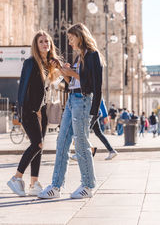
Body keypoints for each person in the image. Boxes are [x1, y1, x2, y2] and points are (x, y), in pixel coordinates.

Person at [38, 23, 103, 199]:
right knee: (62, 142)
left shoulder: (92, 56)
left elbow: (93, 84)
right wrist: (61, 68)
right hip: (72, 99)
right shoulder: (78, 57)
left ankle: (88, 185)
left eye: (71, 38)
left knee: (81, 144)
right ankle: (56, 186)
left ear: (79, 36)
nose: (69, 42)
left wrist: (94, 111)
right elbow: (70, 82)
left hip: (83, 101)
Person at [7, 30, 61, 197]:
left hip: (41, 110)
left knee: (40, 146)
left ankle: (34, 182)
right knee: (36, 144)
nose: (45, 44)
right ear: (36, 46)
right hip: (30, 110)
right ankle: (16, 178)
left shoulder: (49, 64)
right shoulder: (30, 62)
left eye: (47, 41)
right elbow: (22, 88)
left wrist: (59, 67)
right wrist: (21, 111)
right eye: (41, 42)